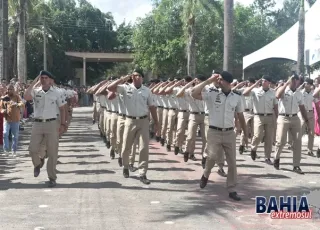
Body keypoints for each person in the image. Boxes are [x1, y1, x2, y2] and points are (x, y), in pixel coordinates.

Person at [191, 71, 248, 201]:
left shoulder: (236, 97)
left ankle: (232, 189)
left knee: (232, 162)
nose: (218, 81)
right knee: (211, 156)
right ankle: (206, 174)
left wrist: (245, 133)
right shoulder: (211, 93)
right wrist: (209, 80)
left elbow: (240, 116)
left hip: (229, 132)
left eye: (220, 79)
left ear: (227, 82)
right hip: (214, 131)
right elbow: (193, 93)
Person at [107, 69, 159, 184]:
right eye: (134, 75)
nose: (136, 77)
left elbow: (152, 107)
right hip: (129, 120)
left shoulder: (147, 91)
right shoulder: (125, 88)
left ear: (142, 78)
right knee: (126, 146)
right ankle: (126, 166)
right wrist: (124, 78)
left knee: (143, 148)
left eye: (139, 75)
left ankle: (142, 173)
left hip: (143, 121)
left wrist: (156, 122)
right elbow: (110, 88)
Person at [24, 70, 66, 187]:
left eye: (45, 78)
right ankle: (37, 164)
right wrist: (34, 82)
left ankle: (52, 178)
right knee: (32, 149)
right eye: (41, 78)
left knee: (52, 152)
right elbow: (26, 96)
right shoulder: (36, 91)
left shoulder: (56, 93)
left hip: (52, 123)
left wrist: (63, 124)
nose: (43, 80)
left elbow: (62, 109)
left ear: (50, 80)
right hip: (37, 123)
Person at [274, 74, 309, 174]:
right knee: (281, 141)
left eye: (296, 81)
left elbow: (302, 107)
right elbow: (277, 95)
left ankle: (296, 165)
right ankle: (276, 157)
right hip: (283, 117)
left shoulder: (299, 93)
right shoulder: (283, 89)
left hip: (295, 118)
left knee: (298, 142)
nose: (294, 83)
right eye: (293, 81)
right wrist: (286, 83)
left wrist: (306, 120)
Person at [0, 84, 24, 156]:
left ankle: (14, 150)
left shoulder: (17, 97)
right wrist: (3, 111)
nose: (10, 90)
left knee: (15, 136)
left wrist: (17, 104)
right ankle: (6, 150)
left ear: (13, 90)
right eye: (9, 89)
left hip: (15, 119)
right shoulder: (4, 98)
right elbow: (0, 108)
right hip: (7, 119)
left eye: (11, 89)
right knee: (5, 133)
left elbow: (22, 103)